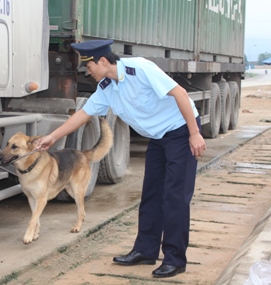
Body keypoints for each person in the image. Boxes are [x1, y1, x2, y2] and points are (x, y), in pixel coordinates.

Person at [35, 39, 206, 278]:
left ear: (103, 61)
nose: (88, 72)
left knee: (175, 196)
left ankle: (175, 259)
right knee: (152, 194)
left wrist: (195, 133)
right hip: (158, 136)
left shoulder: (141, 69)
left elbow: (180, 93)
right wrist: (52, 137)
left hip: (181, 131)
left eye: (89, 66)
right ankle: (145, 251)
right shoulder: (107, 87)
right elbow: (83, 114)